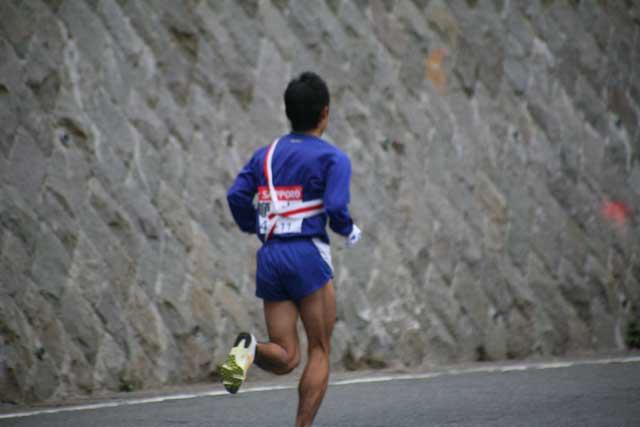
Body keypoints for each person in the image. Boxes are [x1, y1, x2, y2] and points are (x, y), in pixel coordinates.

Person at [221, 71, 361, 427]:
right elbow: (335, 207)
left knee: (285, 356)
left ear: (288, 112)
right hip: (307, 256)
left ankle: (249, 349)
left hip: (271, 258)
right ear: (324, 113)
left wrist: (255, 226)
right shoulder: (333, 158)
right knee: (319, 350)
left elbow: (236, 196)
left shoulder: (265, 155)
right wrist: (349, 230)